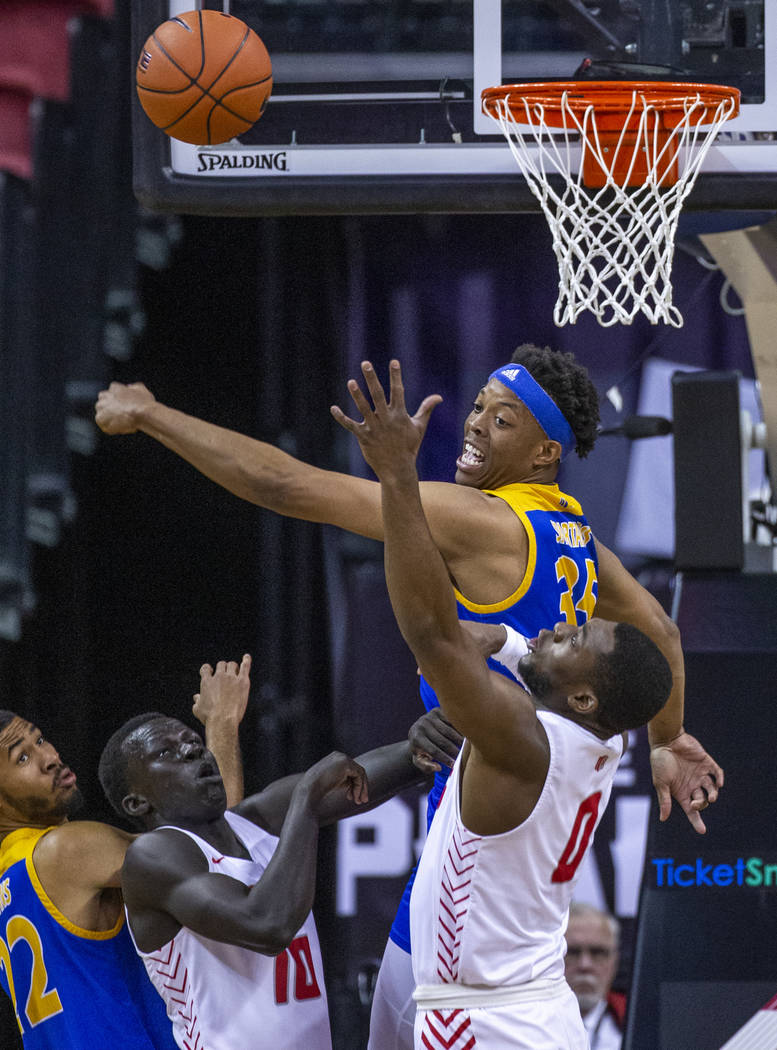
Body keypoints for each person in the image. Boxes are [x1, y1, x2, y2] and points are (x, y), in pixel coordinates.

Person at [94, 347, 722, 1050]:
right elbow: (662, 630)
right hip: (525, 823)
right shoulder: (572, 532)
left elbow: (285, 485)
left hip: (484, 831)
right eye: (478, 405)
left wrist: (151, 414)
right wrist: (666, 741)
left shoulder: (480, 521)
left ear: (545, 450)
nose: (476, 424)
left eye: (502, 418)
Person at [331, 358, 673, 1048]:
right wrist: (667, 743)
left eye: (578, 629)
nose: (560, 625)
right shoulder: (593, 730)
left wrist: (398, 476)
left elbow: (432, 631)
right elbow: (565, 641)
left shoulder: (518, 733)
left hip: (485, 1015)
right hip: (526, 996)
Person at [98, 700, 452, 1050]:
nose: (192, 750)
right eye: (165, 752)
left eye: (191, 740)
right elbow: (267, 925)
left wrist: (424, 743)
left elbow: (363, 776)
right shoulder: (151, 857)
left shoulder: (257, 820)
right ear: (137, 802)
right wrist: (306, 798)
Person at [0, 654, 250, 1049]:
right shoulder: (64, 851)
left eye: (40, 739)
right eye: (23, 757)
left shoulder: (9, 877)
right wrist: (222, 724)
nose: (50, 758)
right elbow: (216, 848)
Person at [564, 902, 624, 1050]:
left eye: (598, 953)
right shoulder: (526, 1023)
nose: (585, 965)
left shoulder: (640, 1021)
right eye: (572, 952)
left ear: (614, 961)